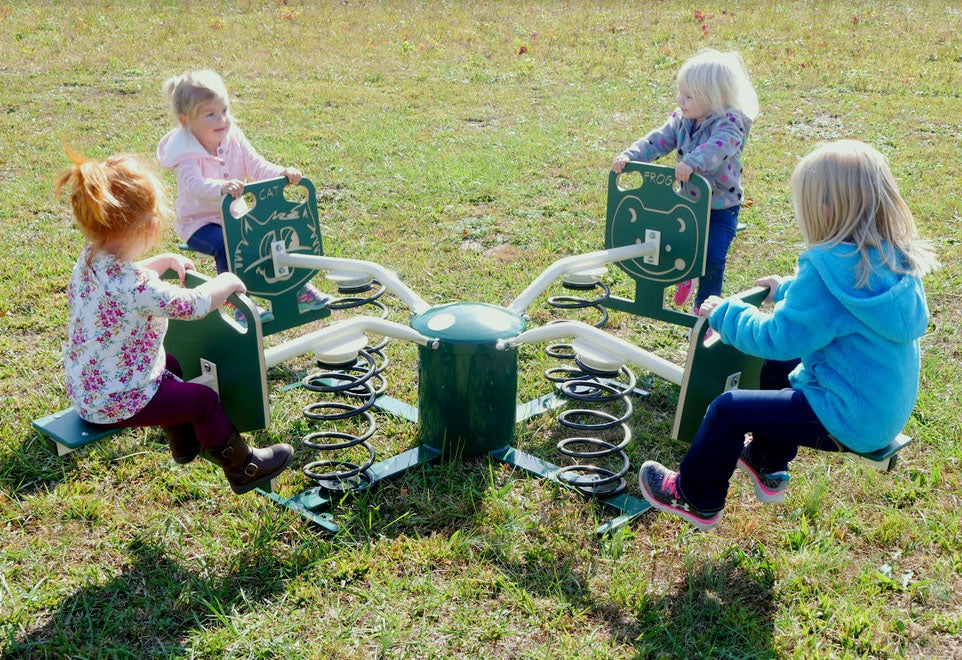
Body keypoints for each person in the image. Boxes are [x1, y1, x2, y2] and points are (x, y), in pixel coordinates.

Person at [638, 140, 939, 530]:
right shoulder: (892, 256)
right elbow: (834, 304)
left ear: (823, 208)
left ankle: (696, 496)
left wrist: (727, 314)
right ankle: (767, 460)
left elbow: (776, 337)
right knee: (781, 368)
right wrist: (788, 289)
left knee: (728, 409)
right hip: (881, 411)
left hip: (846, 417)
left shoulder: (825, 266)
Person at [58, 147, 293, 494]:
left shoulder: (91, 260)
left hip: (89, 388)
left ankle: (183, 443)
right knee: (202, 401)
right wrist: (224, 283)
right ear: (149, 225)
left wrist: (163, 260)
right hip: (118, 399)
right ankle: (244, 468)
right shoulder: (137, 288)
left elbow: (126, 279)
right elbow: (194, 305)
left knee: (171, 363)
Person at [156, 69, 326, 321]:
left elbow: (256, 165)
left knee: (269, 237)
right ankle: (239, 306)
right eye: (210, 114)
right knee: (229, 245)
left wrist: (282, 173)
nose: (221, 120)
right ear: (186, 121)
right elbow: (194, 185)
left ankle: (298, 291)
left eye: (224, 110)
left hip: (235, 216)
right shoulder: (187, 152)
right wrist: (221, 187)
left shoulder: (232, 137)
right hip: (199, 224)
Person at [612, 48, 758, 314]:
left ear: (715, 98)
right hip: (688, 202)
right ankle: (685, 275)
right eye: (680, 92)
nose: (680, 100)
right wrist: (630, 155)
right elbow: (658, 140)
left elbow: (718, 147)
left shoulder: (731, 123)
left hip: (720, 208)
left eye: (689, 96)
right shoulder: (683, 119)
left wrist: (693, 161)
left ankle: (706, 311)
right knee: (675, 245)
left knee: (712, 258)